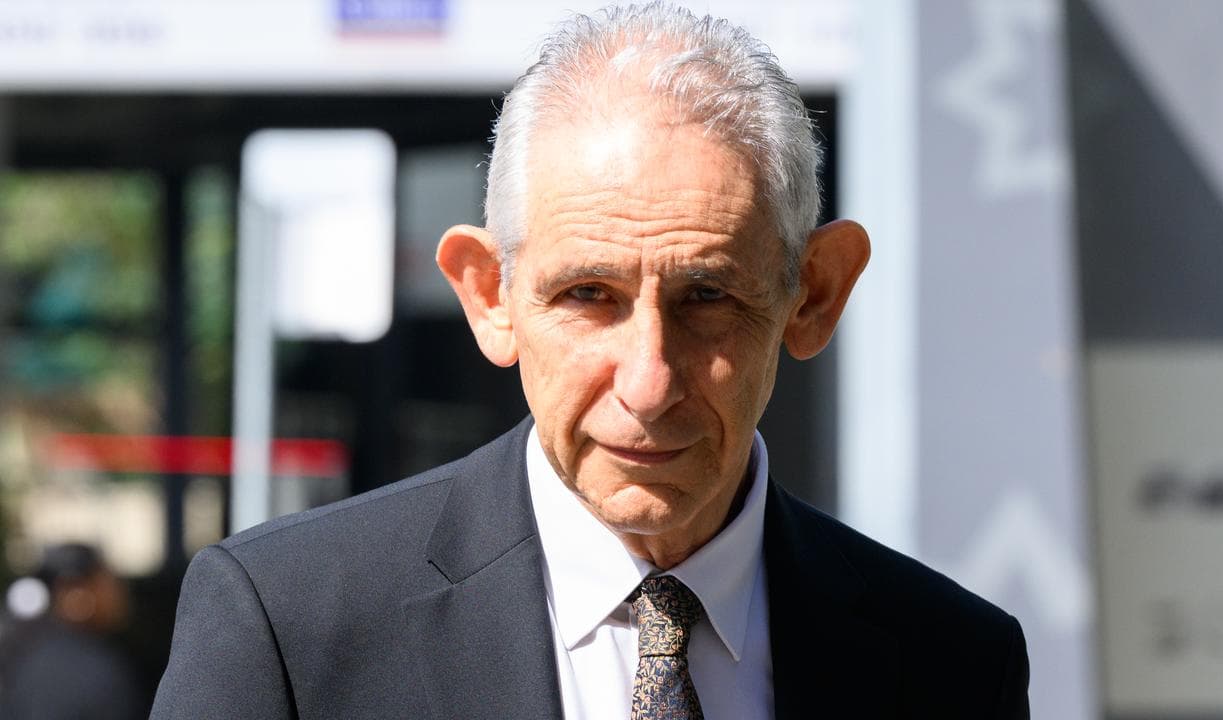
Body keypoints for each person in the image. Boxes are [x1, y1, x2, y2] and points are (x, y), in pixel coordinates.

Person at [152, 3, 1030, 718]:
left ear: (814, 296)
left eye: (707, 297)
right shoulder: (292, 627)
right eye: (587, 295)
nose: (648, 383)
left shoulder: (952, 666)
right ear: (490, 296)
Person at [0, 543, 146, 720]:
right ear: (76, 594)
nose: (119, 593)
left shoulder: (26, 651)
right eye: (108, 582)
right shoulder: (88, 669)